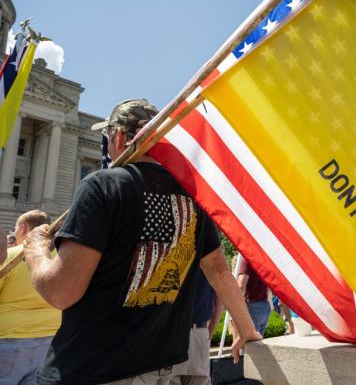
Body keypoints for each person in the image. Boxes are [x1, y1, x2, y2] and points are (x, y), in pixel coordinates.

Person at [22, 99, 261, 385]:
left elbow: (61, 292)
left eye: (108, 137)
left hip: (93, 368)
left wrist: (35, 251)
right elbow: (220, 272)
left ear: (120, 137)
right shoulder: (193, 198)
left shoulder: (102, 186)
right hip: (162, 368)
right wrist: (247, 331)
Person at [0, 210, 60, 385]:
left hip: (8, 339)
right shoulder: (60, 259)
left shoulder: (12, 256)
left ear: (24, 229)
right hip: (49, 340)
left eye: (16, 229)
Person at [170, 270, 223, 385]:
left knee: (169, 379)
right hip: (198, 331)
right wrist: (208, 334)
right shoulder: (211, 255)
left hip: (172, 332)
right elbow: (220, 297)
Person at [237, 255, 271, 336]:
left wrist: (237, 307)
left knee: (249, 344)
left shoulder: (247, 259)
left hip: (252, 305)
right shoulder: (265, 259)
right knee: (258, 344)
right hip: (264, 304)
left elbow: (241, 285)